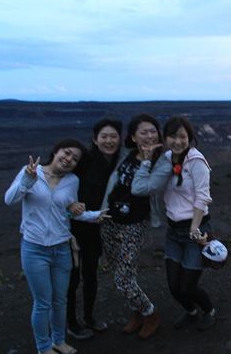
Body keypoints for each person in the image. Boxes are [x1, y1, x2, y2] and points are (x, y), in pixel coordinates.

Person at [4, 139, 109, 354]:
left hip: (61, 249)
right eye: (67, 153)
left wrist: (93, 215)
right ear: (56, 151)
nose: (69, 159)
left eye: (75, 158)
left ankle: (59, 341)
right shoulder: (32, 172)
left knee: (60, 300)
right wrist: (27, 180)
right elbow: (9, 199)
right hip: (34, 249)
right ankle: (44, 347)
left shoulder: (72, 181)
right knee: (43, 302)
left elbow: (69, 212)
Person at [99, 114, 171, 339]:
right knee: (117, 272)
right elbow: (114, 181)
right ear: (133, 137)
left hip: (134, 224)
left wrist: (147, 160)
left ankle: (151, 313)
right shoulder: (127, 155)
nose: (150, 135)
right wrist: (102, 211)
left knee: (124, 278)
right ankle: (136, 312)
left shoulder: (163, 160)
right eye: (144, 132)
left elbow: (142, 188)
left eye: (153, 131)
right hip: (111, 220)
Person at [65, 119, 123, 340]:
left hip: (97, 229)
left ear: (119, 139)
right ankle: (71, 322)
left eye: (113, 136)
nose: (109, 140)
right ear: (95, 139)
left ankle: (89, 317)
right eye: (104, 136)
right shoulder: (85, 161)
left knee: (91, 274)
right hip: (73, 228)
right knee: (72, 277)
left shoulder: (118, 163)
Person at [160, 116, 217, 331]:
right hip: (173, 232)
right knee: (174, 286)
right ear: (165, 138)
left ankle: (209, 310)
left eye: (182, 136)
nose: (177, 141)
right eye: (173, 136)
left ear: (189, 138)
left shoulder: (196, 161)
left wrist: (195, 227)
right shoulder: (165, 159)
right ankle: (191, 312)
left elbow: (203, 196)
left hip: (196, 231)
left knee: (187, 286)